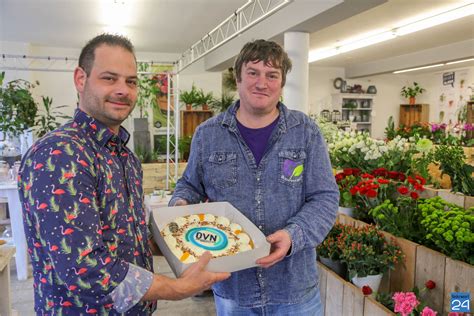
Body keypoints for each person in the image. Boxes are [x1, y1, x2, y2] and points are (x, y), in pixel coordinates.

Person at [18, 33, 229, 315]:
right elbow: (83, 268)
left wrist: (186, 235)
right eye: (109, 78)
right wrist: (178, 288)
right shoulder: (61, 153)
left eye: (130, 81)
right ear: (81, 79)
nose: (123, 90)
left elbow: (125, 237)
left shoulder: (125, 157)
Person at [170, 39, 339, 315]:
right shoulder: (208, 134)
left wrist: (292, 235)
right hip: (234, 291)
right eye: (253, 73)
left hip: (294, 291)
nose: (262, 83)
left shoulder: (305, 132)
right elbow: (189, 185)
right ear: (237, 78)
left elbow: (325, 197)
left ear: (282, 84)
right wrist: (180, 206)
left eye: (272, 75)